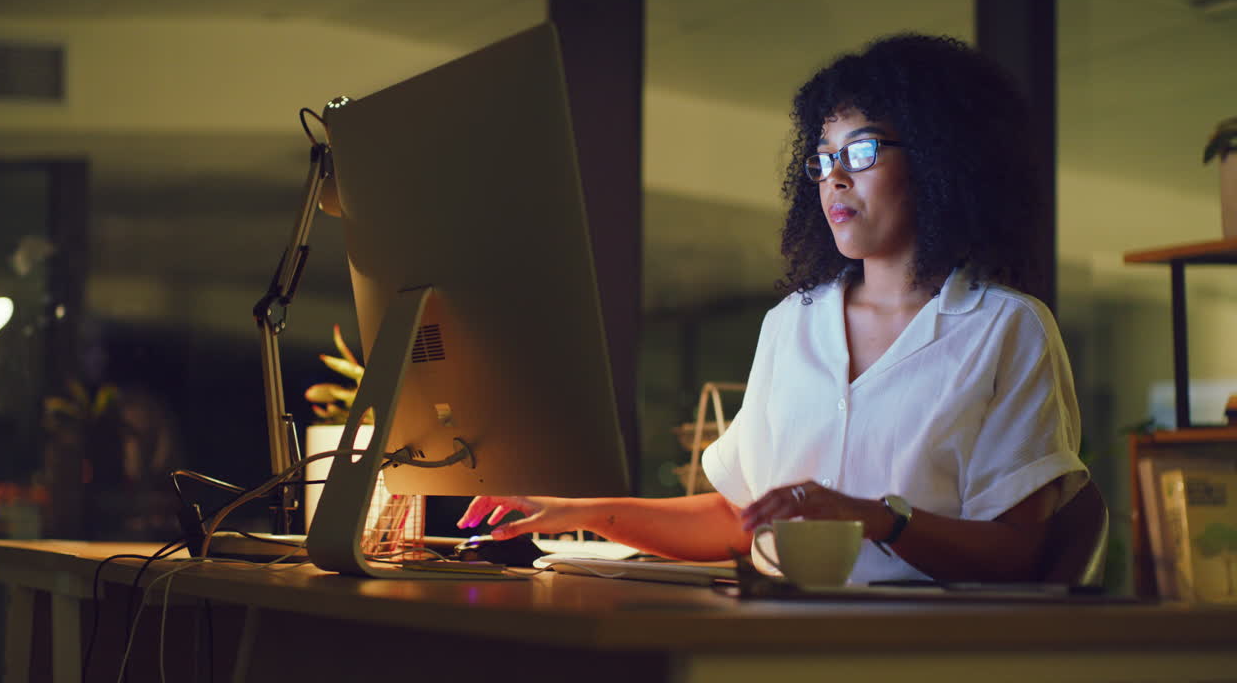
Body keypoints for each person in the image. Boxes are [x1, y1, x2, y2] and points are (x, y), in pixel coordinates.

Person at [457, 34, 1088, 584]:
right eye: (823, 158)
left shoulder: (1006, 328)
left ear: (940, 158)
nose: (834, 178)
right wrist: (581, 511)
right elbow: (740, 519)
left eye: (861, 151)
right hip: (772, 633)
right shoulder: (792, 324)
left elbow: (1015, 554)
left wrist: (877, 519)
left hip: (916, 648)